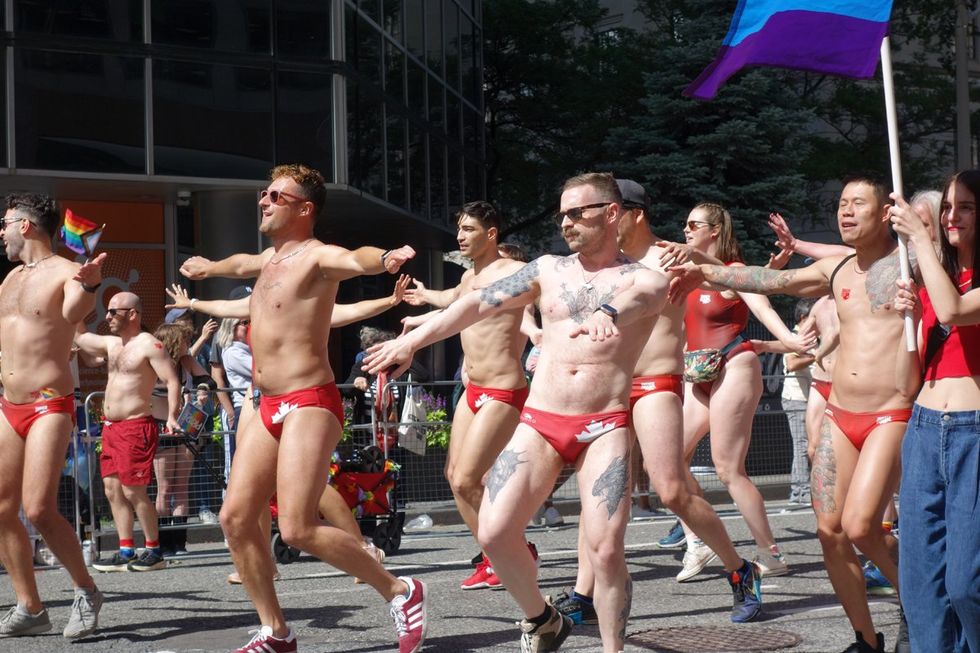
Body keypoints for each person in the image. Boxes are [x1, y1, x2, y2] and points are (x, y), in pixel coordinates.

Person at [365, 172, 673, 653]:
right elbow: (474, 305)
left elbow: (639, 299)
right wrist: (408, 341)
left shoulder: (644, 277)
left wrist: (607, 314)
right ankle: (542, 618)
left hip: (604, 425)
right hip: (542, 422)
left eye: (578, 212)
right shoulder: (546, 269)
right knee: (492, 529)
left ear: (611, 214)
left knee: (607, 549)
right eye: (562, 214)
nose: (566, 222)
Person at [178, 163, 425, 653]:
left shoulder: (318, 258)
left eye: (275, 196)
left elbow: (356, 258)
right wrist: (208, 268)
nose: (263, 200)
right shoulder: (270, 261)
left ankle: (400, 590)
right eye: (263, 193)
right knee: (235, 518)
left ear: (304, 208)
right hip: (267, 402)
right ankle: (277, 632)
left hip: (310, 400)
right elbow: (241, 263)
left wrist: (387, 258)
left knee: (297, 527)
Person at [670, 174, 912, 653]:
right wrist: (707, 269)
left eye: (858, 203)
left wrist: (920, 233)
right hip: (841, 414)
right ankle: (866, 639)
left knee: (863, 526)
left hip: (892, 413)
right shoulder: (838, 269)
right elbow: (773, 280)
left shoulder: (911, 263)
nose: (846, 211)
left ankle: (922, 604)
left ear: (886, 211)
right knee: (829, 532)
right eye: (841, 203)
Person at [551, 179, 771, 629]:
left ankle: (739, 569)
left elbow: (739, 282)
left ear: (631, 214)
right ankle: (582, 593)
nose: (593, 225)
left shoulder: (670, 255)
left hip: (655, 382)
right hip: (611, 387)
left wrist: (782, 337)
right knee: (601, 489)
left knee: (670, 489)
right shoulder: (604, 263)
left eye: (608, 213)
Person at [670, 202, 811, 582]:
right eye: (685, 224)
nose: (686, 230)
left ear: (714, 231)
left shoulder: (731, 273)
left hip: (734, 364)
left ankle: (771, 553)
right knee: (667, 463)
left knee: (729, 469)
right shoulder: (691, 275)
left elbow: (760, 302)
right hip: (698, 372)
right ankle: (697, 541)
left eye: (693, 224)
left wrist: (790, 340)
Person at [401, 200, 535, 590]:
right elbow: (456, 304)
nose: (460, 236)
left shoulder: (515, 272)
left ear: (491, 234)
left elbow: (544, 303)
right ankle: (499, 555)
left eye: (469, 229)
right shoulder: (470, 275)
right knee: (453, 476)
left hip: (503, 390)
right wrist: (425, 299)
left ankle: (512, 552)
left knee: (466, 479)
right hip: (472, 389)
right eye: (459, 229)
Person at [0, 192, 107, 639]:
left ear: (25, 226)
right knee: (2, 508)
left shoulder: (67, 272)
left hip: (48, 402)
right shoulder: (7, 281)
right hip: (9, 403)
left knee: (39, 507)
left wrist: (90, 285)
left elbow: (72, 314)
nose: (1, 231)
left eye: (4, 222)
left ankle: (86, 590)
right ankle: (30, 606)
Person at [890, 170, 980, 653]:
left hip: (974, 433)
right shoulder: (931, 286)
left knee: (968, 583)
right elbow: (907, 385)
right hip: (925, 429)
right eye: (947, 207)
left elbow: (955, 311)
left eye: (965, 206)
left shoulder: (950, 288)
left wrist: (921, 241)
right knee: (922, 584)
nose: (951, 216)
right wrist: (909, 324)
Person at [74, 292, 182, 573]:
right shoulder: (112, 344)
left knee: (133, 490)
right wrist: (76, 300)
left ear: (132, 314)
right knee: (112, 490)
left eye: (113, 311)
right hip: (111, 429)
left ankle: (154, 550)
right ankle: (125, 549)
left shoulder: (149, 345)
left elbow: (172, 380)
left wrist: (171, 416)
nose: (107, 316)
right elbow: (81, 337)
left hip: (135, 426)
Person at [150, 321, 211, 556]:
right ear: (174, 342)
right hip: (162, 427)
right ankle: (163, 542)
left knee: (182, 486)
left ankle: (179, 542)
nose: (188, 344)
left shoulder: (185, 362)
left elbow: (207, 378)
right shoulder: (154, 365)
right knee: (164, 488)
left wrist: (203, 389)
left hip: (185, 426)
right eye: (184, 339)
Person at [753, 298, 817, 505]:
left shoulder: (817, 337)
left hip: (815, 399)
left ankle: (810, 489)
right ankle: (800, 491)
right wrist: (818, 354)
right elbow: (792, 363)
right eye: (813, 316)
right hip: (797, 399)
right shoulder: (793, 337)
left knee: (814, 445)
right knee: (801, 446)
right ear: (803, 318)